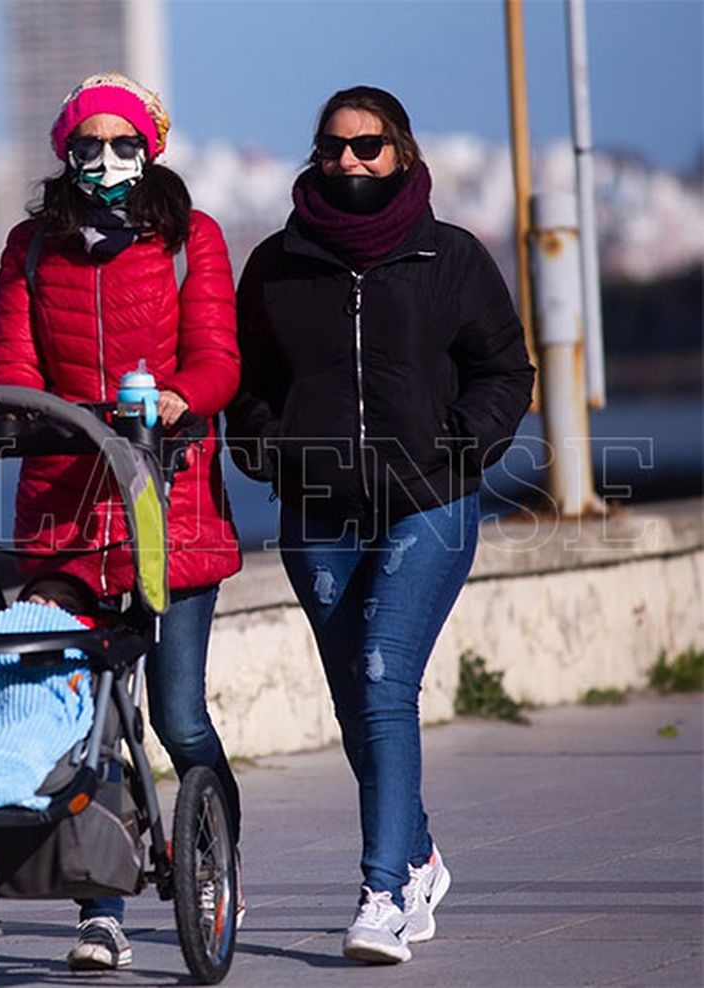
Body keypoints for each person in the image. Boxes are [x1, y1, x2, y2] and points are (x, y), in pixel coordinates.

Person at [226, 86, 535, 964]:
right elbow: (244, 386)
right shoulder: (279, 265)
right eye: (333, 148)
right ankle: (422, 854)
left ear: (400, 152)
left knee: (382, 674)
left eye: (367, 148)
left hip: (430, 504)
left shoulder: (451, 257)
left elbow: (504, 370)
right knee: (357, 700)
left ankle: (384, 893)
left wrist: (459, 447)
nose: (349, 162)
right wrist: (273, 451)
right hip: (319, 513)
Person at [0, 71, 243, 972]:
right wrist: (21, 412)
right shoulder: (29, 248)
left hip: (168, 504)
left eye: (122, 144)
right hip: (63, 512)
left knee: (176, 717)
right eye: (87, 146)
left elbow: (219, 360)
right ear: (65, 153)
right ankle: (101, 911)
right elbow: (11, 364)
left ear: (151, 148)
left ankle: (214, 863)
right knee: (83, 714)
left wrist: (176, 397)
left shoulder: (190, 239)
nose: (105, 161)